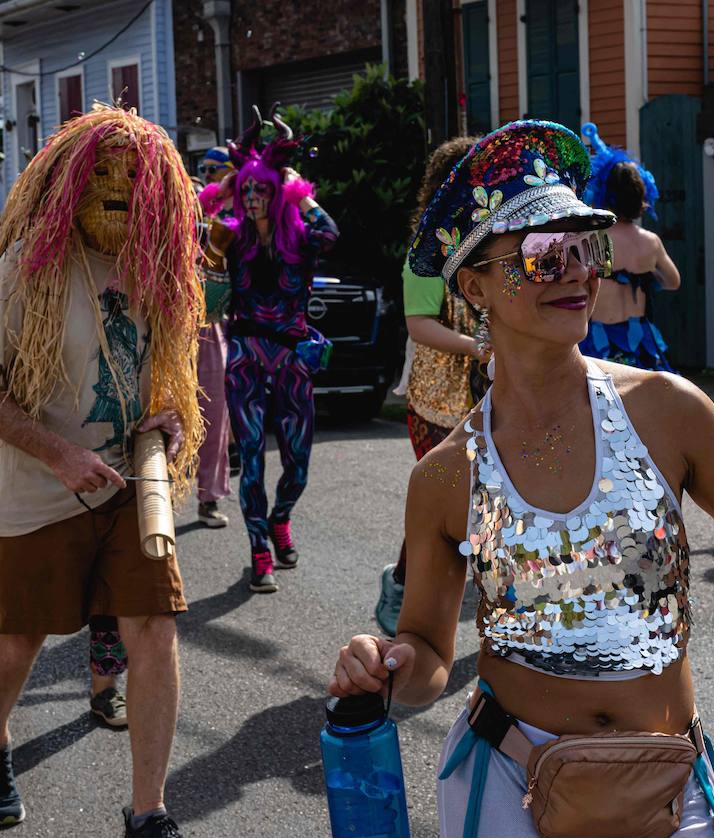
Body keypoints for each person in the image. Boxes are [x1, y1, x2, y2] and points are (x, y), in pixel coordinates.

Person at [331, 120, 714, 838]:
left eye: (585, 246)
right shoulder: (445, 476)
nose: (574, 272)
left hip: (662, 779)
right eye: (542, 254)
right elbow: (433, 649)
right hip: (507, 773)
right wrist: (389, 663)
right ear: (474, 287)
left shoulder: (670, 412)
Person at [0, 104, 216, 838]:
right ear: (71, 180)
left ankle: (148, 818)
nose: (118, 187)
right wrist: (59, 454)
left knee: (154, 630)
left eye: (134, 176)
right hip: (38, 489)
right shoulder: (27, 266)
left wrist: (167, 417)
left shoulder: (160, 264)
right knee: (21, 638)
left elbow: (160, 376)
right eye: (101, 172)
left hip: (131, 489)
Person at [199, 110, 339, 592]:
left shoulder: (301, 236)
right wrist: (223, 190)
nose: (255, 198)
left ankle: (281, 518)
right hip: (244, 354)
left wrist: (300, 191)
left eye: (264, 190)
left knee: (298, 461)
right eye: (249, 190)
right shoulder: (231, 237)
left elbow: (331, 234)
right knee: (253, 457)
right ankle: (259, 547)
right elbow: (199, 237)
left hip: (293, 355)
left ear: (278, 193)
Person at [373, 135, 491, 635]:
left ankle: (497, 615)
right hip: (435, 399)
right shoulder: (426, 246)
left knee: (489, 502)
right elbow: (419, 323)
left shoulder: (493, 237)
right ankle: (402, 588)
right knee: (442, 500)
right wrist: (477, 347)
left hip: (489, 390)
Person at [577, 124, 680, 372]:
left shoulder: (596, 238)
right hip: (641, 339)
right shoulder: (650, 241)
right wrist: (643, 277)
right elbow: (673, 282)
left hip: (601, 341)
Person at [194, 152, 235, 529]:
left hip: (214, 329)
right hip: (174, 331)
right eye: (203, 170)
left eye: (215, 171)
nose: (207, 176)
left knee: (213, 417)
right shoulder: (194, 209)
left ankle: (208, 497)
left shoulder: (244, 222)